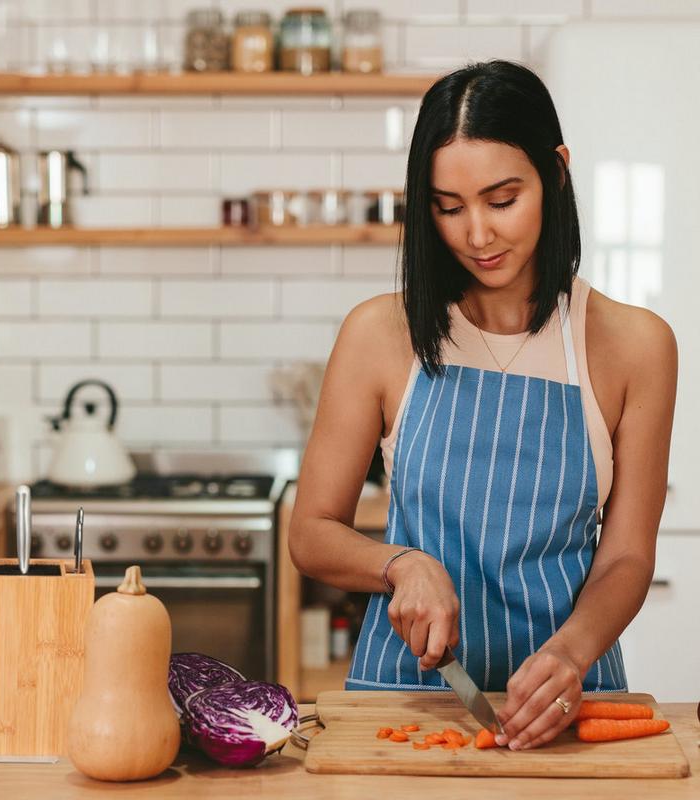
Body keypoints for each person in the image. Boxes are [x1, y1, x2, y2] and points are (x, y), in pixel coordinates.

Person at [288, 60, 677, 752]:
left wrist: (572, 654)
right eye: (447, 206)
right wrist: (400, 563)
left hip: (570, 706)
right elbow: (312, 531)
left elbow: (626, 557)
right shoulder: (379, 334)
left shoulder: (635, 346)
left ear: (555, 172)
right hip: (402, 708)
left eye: (502, 200)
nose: (476, 235)